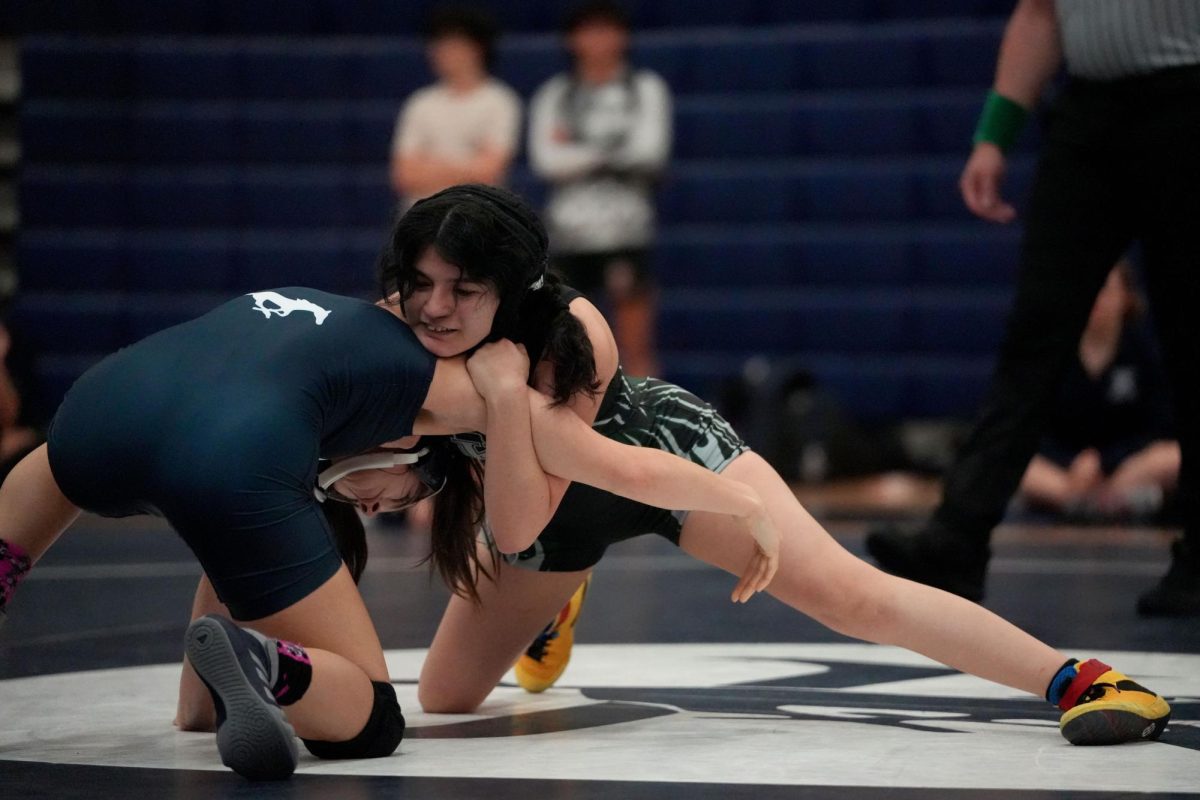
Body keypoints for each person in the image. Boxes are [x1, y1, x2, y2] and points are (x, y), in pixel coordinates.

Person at [329, 184, 1171, 747]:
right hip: (546, 503)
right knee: (445, 696)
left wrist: (747, 505)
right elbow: (509, 512)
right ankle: (561, 598)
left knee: (851, 594)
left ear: (512, 287)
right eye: (419, 283)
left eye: (463, 289)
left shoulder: (572, 332)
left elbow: (568, 499)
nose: (434, 308)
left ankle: (1084, 680)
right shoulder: (398, 331)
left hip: (661, 458)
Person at [0, 283, 778, 781]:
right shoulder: (454, 389)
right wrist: (739, 500)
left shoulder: (328, 319)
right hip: (230, 459)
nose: (385, 507)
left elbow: (196, 716)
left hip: (99, 407)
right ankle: (280, 669)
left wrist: (221, 654)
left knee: (54, 484)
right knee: (373, 718)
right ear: (410, 446)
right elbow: (620, 465)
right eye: (423, 487)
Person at [866, 0, 1200, 616]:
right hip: (1090, 111)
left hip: (1187, 101)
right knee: (1035, 332)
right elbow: (1040, 12)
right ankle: (956, 539)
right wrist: (994, 135)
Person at [528, 0, 671, 378]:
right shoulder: (554, 94)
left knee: (636, 343)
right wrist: (612, 151)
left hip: (627, 230)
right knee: (567, 341)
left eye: (607, 29)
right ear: (572, 39)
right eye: (588, 30)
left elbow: (650, 151)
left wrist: (578, 147)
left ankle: (645, 428)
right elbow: (546, 160)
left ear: (623, 36)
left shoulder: (645, 88)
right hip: (570, 234)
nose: (598, 40)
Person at [1017, 262, 1179, 519]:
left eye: (1104, 288)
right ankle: (1090, 501)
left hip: (1127, 467)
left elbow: (1159, 426)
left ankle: (1087, 501)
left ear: (1126, 297)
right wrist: (1074, 464)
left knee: (1172, 457)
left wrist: (1105, 461)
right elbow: (1033, 427)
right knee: (1012, 458)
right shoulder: (1051, 354)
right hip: (1067, 470)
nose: (1095, 297)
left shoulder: (1144, 352)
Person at [390, 6, 522, 207]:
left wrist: (430, 167)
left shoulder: (500, 101)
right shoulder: (420, 103)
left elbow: (488, 172)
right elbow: (404, 175)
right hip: (421, 222)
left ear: (476, 48)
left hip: (478, 221)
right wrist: (467, 168)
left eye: (451, 45)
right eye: (438, 45)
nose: (441, 53)